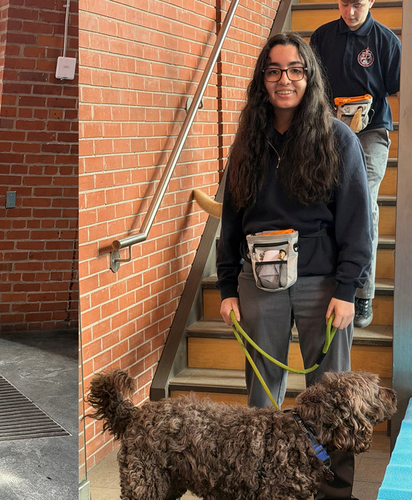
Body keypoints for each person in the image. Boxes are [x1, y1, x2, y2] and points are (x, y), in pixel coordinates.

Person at [216, 33, 372, 500]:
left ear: (308, 77)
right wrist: (227, 287)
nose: (284, 80)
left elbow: (358, 226)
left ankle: (333, 491)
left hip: (321, 286)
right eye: (274, 70)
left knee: (333, 400)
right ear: (262, 79)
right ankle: (268, 486)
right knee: (264, 400)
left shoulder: (338, 138)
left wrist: (347, 291)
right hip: (257, 284)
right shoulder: (248, 139)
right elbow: (231, 218)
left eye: (294, 70)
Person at [309, 0, 401, 328]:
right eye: (345, 3)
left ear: (372, 1)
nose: (351, 12)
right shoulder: (320, 37)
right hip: (329, 131)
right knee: (325, 203)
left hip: (371, 133)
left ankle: (362, 293)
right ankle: (323, 281)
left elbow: (396, 85)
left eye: (358, 4)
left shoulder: (387, 42)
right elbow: (312, 88)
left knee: (365, 206)